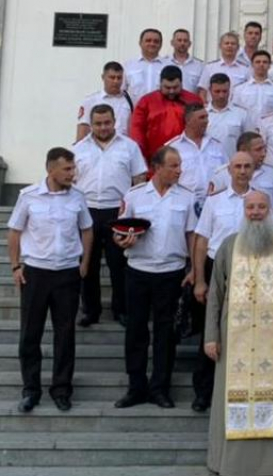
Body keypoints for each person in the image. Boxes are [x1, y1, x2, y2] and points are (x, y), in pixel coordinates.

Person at [204, 190, 273, 476]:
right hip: (233, 338)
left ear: (270, 211)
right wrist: (211, 336)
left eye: (262, 207)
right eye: (251, 207)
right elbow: (215, 294)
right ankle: (227, 463)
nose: (256, 212)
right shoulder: (229, 245)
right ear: (244, 210)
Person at [7, 147, 94, 413]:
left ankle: (61, 389)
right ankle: (30, 390)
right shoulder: (29, 196)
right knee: (30, 335)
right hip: (36, 273)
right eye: (67, 169)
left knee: (65, 335)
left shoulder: (78, 197)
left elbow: (87, 229)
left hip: (67, 273)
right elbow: (14, 232)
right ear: (50, 169)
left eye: (73, 168)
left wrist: (85, 263)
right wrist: (15, 266)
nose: (72, 173)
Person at [113, 146, 197, 409]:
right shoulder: (135, 195)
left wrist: (195, 268)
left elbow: (192, 235)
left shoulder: (185, 197)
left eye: (180, 165)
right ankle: (135, 387)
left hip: (171, 273)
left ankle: (160, 388)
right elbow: (119, 230)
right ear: (157, 167)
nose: (179, 170)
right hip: (139, 271)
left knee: (166, 333)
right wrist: (122, 241)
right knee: (136, 331)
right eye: (173, 165)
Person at [191, 151, 255, 413]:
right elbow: (202, 240)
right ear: (229, 170)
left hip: (250, 270)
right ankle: (203, 393)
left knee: (244, 334)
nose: (242, 171)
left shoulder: (258, 201)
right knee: (211, 332)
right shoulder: (215, 201)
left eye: (247, 167)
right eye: (238, 166)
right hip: (216, 267)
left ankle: (238, 389)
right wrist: (199, 280)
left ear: (253, 170)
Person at [73, 105, 147, 327]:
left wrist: (135, 212)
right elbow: (71, 182)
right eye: (98, 123)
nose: (103, 127)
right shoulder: (78, 149)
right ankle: (90, 310)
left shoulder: (130, 147)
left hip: (118, 212)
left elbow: (139, 179)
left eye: (107, 122)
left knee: (118, 264)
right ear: (91, 124)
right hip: (87, 211)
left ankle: (121, 310)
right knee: (88, 263)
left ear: (114, 121)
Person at [130, 65, 203, 164]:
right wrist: (140, 157)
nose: (171, 91)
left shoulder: (193, 101)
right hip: (155, 161)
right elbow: (137, 130)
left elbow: (201, 128)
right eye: (167, 87)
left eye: (175, 87)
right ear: (160, 84)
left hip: (188, 160)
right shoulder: (146, 102)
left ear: (182, 84)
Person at [166, 103, 228, 209]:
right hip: (184, 204)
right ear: (188, 121)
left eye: (206, 117)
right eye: (201, 118)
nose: (206, 121)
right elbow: (165, 178)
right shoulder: (173, 148)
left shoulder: (217, 146)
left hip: (214, 204)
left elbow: (227, 173)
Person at [209, 132, 273, 218]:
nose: (263, 154)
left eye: (264, 149)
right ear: (243, 151)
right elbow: (213, 205)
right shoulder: (221, 175)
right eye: (258, 150)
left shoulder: (271, 173)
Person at [76, 61, 134, 141]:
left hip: (122, 148)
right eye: (112, 77)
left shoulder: (129, 101)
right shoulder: (91, 101)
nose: (116, 81)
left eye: (119, 78)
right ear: (103, 77)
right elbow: (83, 130)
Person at [232, 50, 273, 130]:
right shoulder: (239, 89)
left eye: (265, 62)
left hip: (270, 131)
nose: (261, 64)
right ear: (252, 65)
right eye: (258, 62)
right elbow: (235, 113)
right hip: (246, 131)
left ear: (270, 65)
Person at [205, 73, 250, 158]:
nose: (221, 95)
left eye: (224, 91)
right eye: (217, 91)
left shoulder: (242, 114)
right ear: (210, 90)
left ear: (230, 90)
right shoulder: (203, 113)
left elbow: (249, 142)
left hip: (233, 165)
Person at [198, 32, 251, 103]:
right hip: (214, 111)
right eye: (226, 43)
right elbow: (202, 91)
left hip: (238, 110)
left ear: (238, 47)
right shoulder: (210, 67)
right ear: (220, 46)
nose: (229, 46)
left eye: (233, 44)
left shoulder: (245, 69)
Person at [124, 28, 169, 103]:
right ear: (140, 43)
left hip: (161, 112)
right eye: (148, 40)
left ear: (161, 44)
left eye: (156, 41)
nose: (152, 44)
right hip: (136, 112)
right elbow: (121, 92)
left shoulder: (169, 66)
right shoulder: (128, 66)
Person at [165, 28, 205, 94]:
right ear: (172, 43)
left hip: (191, 103)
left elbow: (202, 90)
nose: (182, 43)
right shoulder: (164, 63)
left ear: (190, 44)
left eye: (185, 41)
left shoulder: (199, 65)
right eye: (179, 40)